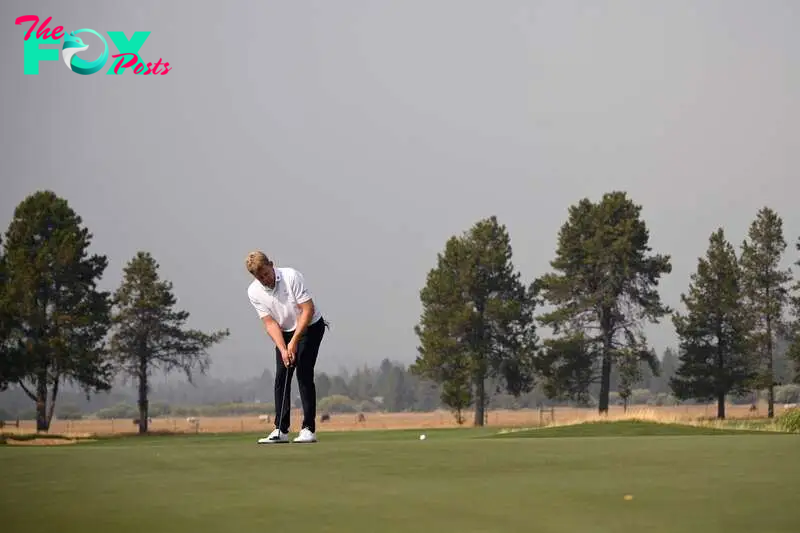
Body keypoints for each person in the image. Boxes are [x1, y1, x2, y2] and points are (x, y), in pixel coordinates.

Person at [245, 251, 327, 444]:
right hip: (284, 331)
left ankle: (308, 429)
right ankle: (280, 430)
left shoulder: (291, 276)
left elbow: (308, 309)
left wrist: (294, 341)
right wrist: (284, 349)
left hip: (310, 326)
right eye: (259, 277)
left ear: (271, 265)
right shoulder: (253, 292)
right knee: (282, 375)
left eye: (265, 273)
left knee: (303, 373)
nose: (264, 279)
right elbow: (270, 323)